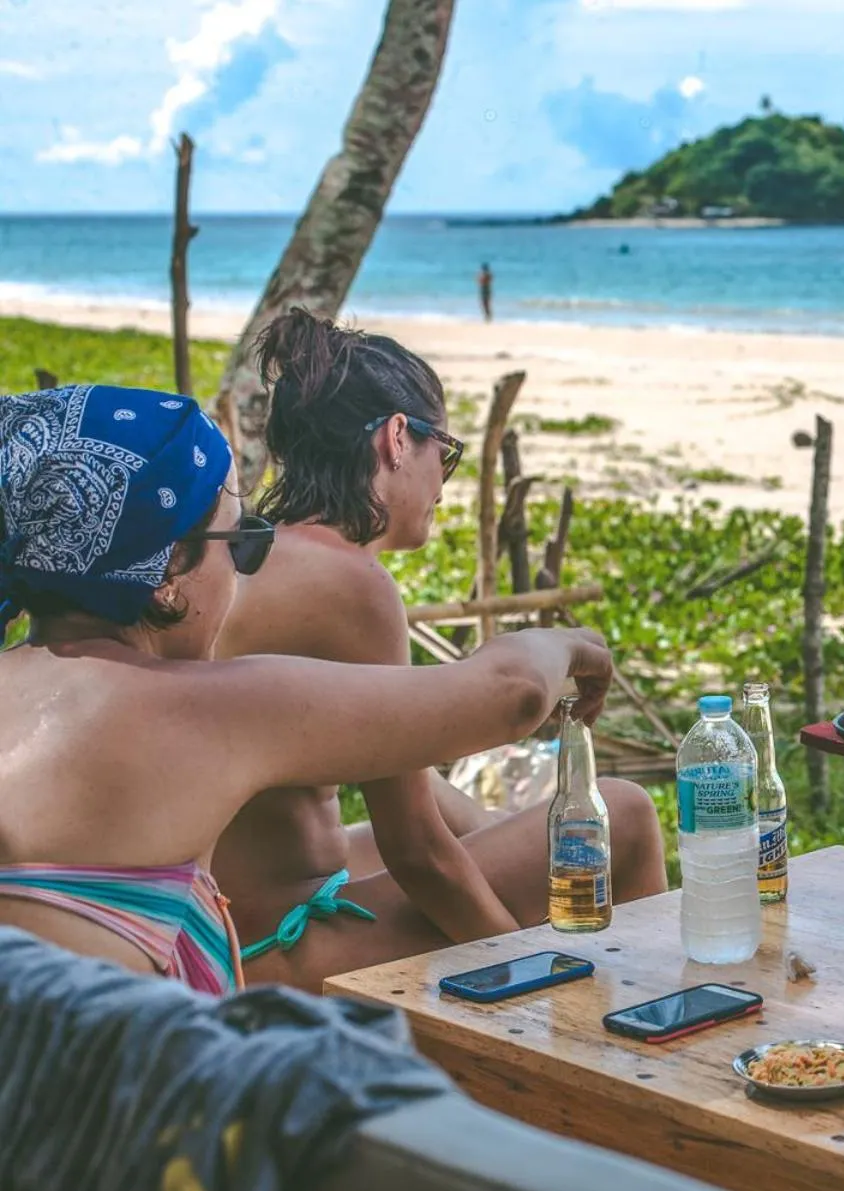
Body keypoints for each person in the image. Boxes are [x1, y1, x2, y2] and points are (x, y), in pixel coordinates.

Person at [0, 384, 616, 995]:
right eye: (241, 545)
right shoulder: (206, 707)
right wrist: (572, 645)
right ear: (168, 573)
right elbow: (509, 694)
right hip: (123, 1088)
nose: (244, 577)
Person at [211, 309, 666, 991]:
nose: (443, 483)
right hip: (274, 948)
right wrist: (533, 973)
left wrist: (495, 831)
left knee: (493, 830)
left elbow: (406, 782)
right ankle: (640, 1025)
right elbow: (417, 853)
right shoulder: (351, 584)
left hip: (247, 909)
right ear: (398, 438)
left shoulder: (263, 558)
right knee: (623, 817)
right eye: (443, 453)